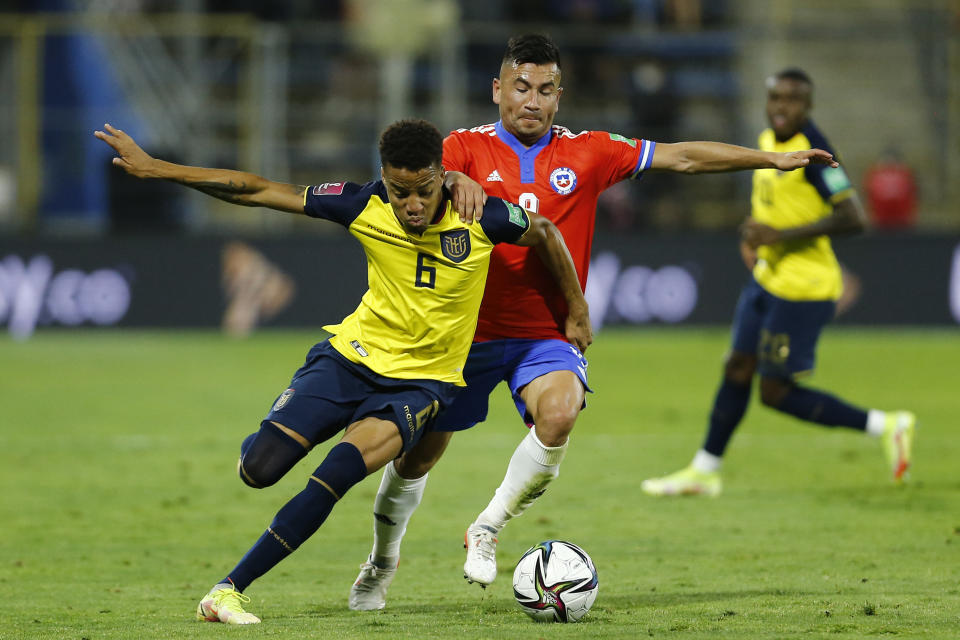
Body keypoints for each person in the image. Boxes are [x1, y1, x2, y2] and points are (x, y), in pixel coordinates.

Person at [348, 35, 841, 610]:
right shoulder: (462, 148)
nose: (532, 101)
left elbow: (681, 156)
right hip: (464, 333)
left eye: (546, 90)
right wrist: (457, 180)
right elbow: (417, 182)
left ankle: (486, 526)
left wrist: (773, 159)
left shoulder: (590, 152)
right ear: (498, 90)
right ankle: (381, 563)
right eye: (521, 87)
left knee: (559, 414)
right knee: (417, 458)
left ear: (560, 97)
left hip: (546, 335)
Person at [94, 118, 590, 624]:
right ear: (384, 179)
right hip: (349, 360)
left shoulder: (482, 217)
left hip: (421, 386)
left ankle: (226, 591)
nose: (412, 205)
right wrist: (158, 169)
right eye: (400, 193)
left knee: (335, 475)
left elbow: (547, 232)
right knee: (258, 470)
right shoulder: (363, 204)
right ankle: (284, 429)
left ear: (443, 176)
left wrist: (576, 307)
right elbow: (257, 190)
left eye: (422, 191)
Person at [641, 69, 916, 498]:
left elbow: (853, 216)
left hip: (804, 288)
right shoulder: (769, 142)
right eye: (775, 98)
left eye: (792, 100)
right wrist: (754, 234)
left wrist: (779, 237)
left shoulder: (814, 152)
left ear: (807, 107)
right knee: (736, 366)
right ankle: (705, 470)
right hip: (768, 278)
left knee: (774, 392)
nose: (781, 107)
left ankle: (887, 425)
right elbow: (770, 204)